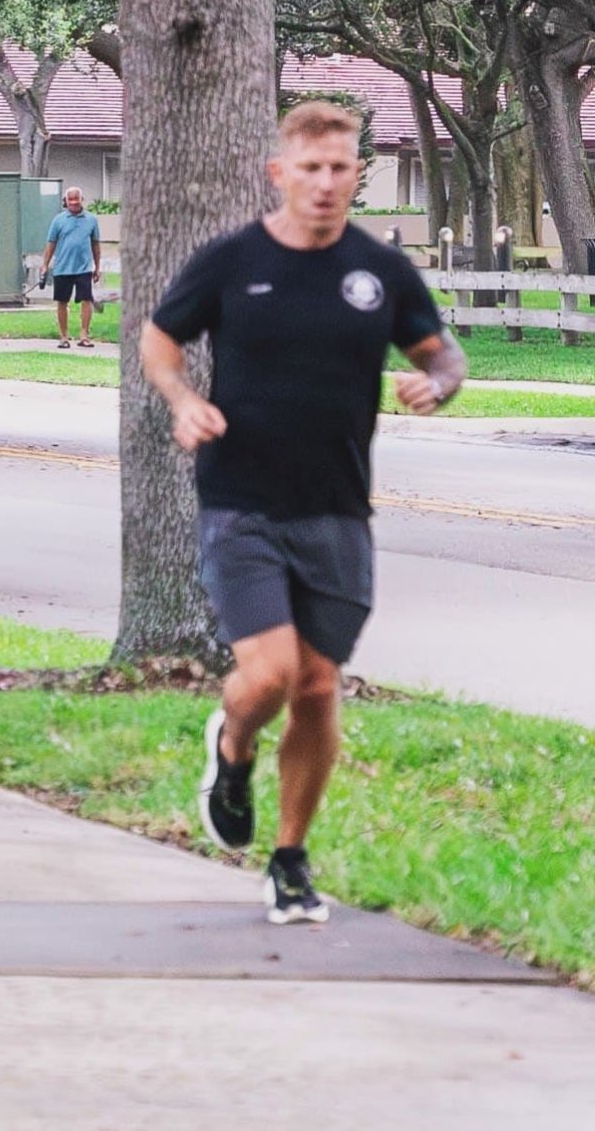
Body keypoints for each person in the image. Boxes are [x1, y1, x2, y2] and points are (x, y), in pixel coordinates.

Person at [141, 99, 466, 926]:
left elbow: (442, 353)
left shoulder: (379, 271)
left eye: (340, 168)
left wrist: (438, 383)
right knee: (272, 675)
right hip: (240, 501)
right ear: (279, 172)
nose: (325, 183)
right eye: (310, 168)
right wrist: (182, 399)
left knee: (319, 687)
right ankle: (233, 746)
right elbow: (160, 338)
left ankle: (290, 859)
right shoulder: (232, 260)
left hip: (337, 509)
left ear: (358, 175)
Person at [43, 187, 103, 347]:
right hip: (62, 268)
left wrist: (97, 267)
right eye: (71, 200)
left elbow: (95, 245)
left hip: (84, 268)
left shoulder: (91, 220)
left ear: (82, 200)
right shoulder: (58, 220)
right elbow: (51, 244)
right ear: (66, 201)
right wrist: (44, 265)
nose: (74, 203)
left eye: (77, 199)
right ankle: (64, 337)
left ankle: (84, 336)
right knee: (62, 301)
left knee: (86, 300)